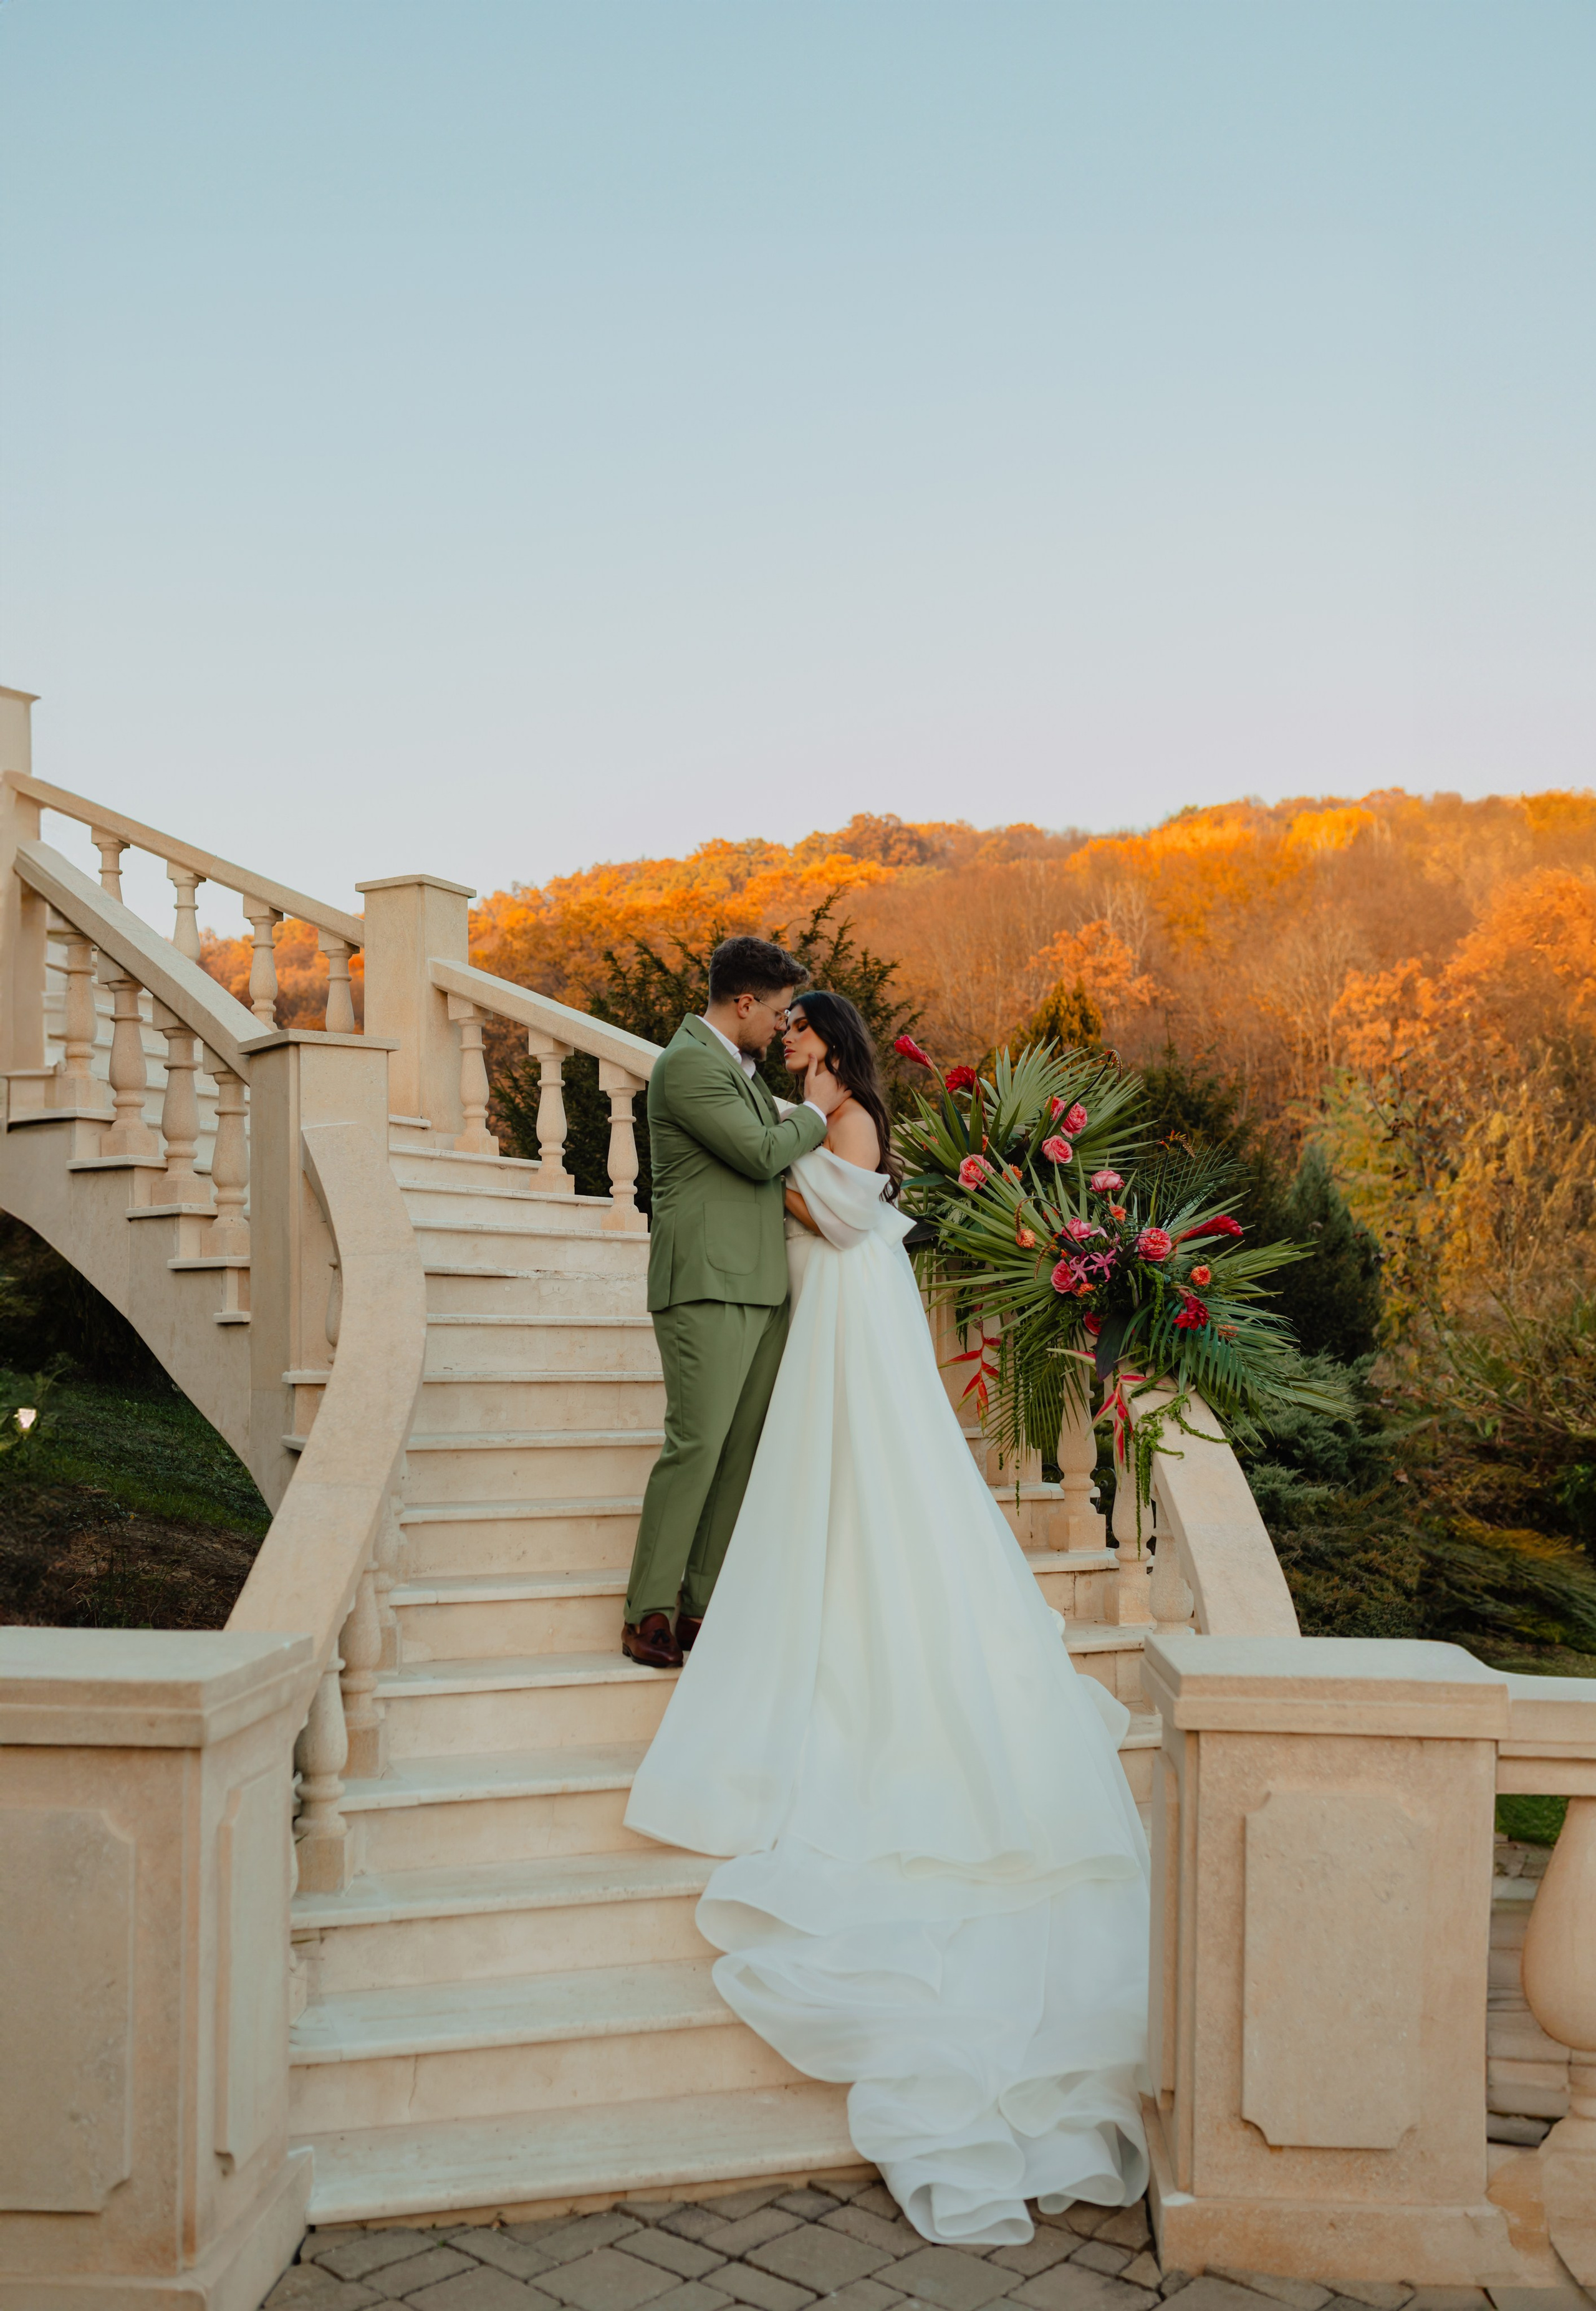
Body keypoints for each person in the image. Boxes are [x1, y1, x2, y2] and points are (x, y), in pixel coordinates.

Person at [625, 991, 1151, 2246]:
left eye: (805, 1023)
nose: (793, 1033)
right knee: (801, 1471)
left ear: (826, 1040)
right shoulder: (793, 1102)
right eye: (787, 1020)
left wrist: (775, 1180)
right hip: (810, 1303)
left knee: (861, 1471)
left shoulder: (848, 1114)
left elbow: (846, 1210)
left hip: (848, 1306)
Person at [621, 936, 847, 1668]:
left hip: (759, 1282)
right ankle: (648, 1610)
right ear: (744, 1002)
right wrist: (815, 1114)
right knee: (696, 1447)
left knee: (738, 1455)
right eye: (779, 1011)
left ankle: (702, 1605)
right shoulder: (687, 1063)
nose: (784, 1026)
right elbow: (757, 1151)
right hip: (705, 1282)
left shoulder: (738, 1068)